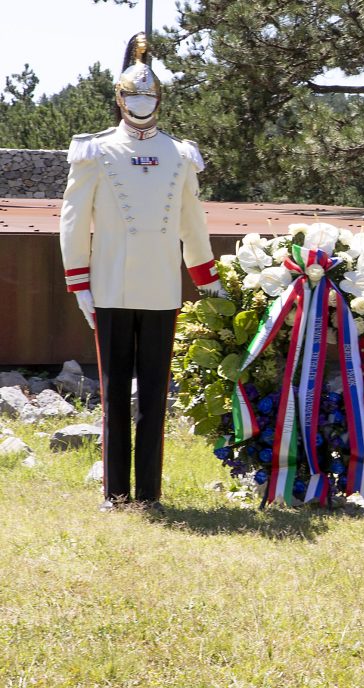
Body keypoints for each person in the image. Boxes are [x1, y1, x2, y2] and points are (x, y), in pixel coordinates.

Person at [60, 33, 224, 513]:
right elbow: (72, 221)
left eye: (148, 95)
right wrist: (79, 282)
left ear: (160, 99)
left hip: (161, 289)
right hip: (109, 286)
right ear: (118, 97)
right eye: (132, 95)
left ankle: (149, 493)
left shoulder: (180, 153)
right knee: (113, 393)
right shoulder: (94, 151)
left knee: (155, 394)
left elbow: (194, 223)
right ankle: (115, 492)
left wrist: (207, 281)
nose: (140, 102)